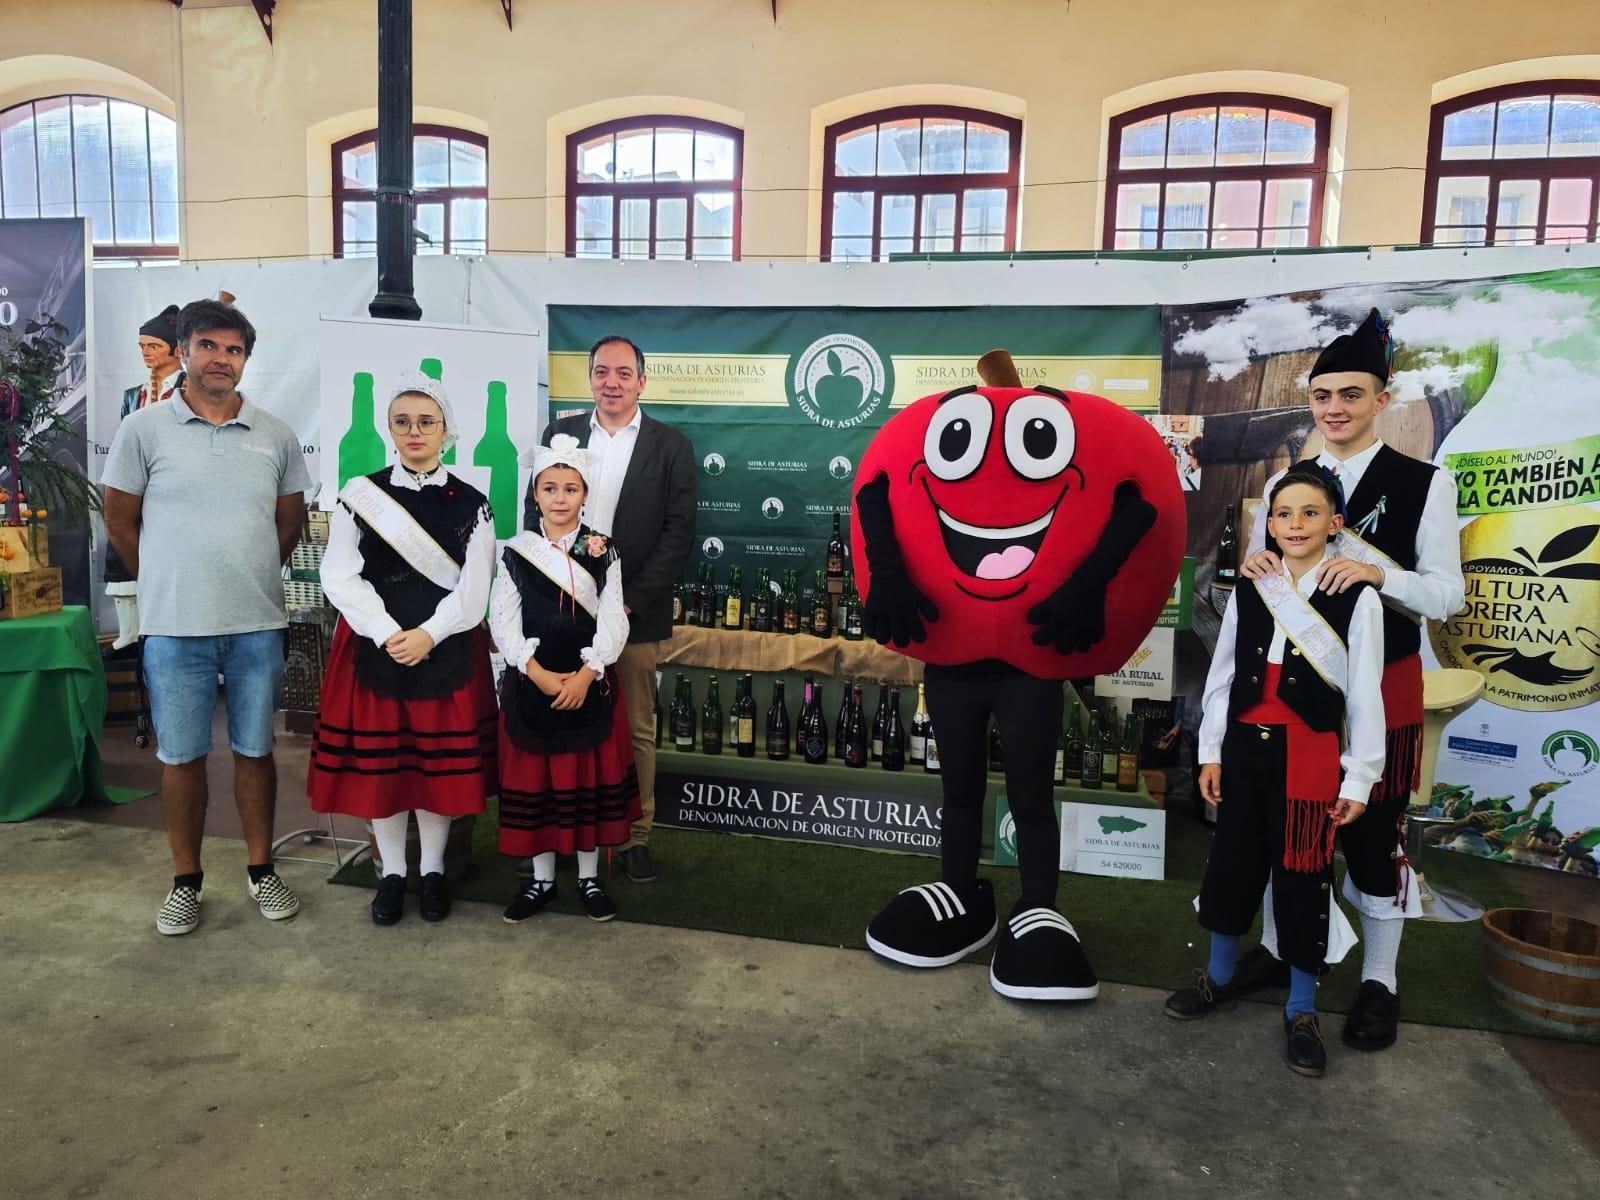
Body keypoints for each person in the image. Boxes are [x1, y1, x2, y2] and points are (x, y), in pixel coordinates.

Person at [1230, 308, 1465, 1053]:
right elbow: (1268, 576)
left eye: (1352, 395)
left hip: (1383, 683)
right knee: (1279, 830)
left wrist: (1378, 572)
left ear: (1382, 399)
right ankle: (1276, 952)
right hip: (1285, 698)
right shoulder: (1286, 486)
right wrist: (1256, 563)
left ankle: (1380, 982)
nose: (1335, 409)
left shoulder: (1427, 481)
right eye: (1323, 395)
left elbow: (1447, 595)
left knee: (1369, 838)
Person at [1166, 463, 1385, 1077]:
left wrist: (1360, 778)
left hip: (1311, 757)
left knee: (1302, 875)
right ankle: (1217, 976)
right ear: (1270, 522)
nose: (1295, 524)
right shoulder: (1253, 587)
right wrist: (1210, 751)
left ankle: (1302, 1007)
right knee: (1231, 863)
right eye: (1283, 513)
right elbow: (1224, 678)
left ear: (1335, 524)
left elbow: (1366, 694)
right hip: (1244, 749)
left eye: (1310, 512)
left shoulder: (1356, 596)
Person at [102, 298, 311, 936]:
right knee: (181, 757)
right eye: (209, 347)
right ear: (186, 351)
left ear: (246, 360)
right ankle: (185, 882)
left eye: (235, 350)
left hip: (255, 625)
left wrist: (241, 575)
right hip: (174, 628)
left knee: (255, 750)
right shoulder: (142, 431)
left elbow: (289, 522)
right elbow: (119, 518)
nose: (221, 360)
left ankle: (261, 870)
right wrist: (170, 575)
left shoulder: (275, 434)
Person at [308, 371, 498, 925]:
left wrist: (429, 634)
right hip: (376, 647)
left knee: (434, 771)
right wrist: (386, 630)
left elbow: (475, 587)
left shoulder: (473, 502)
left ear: (446, 431)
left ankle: (433, 871)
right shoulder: (358, 494)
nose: (414, 432)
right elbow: (339, 574)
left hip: (446, 645)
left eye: (426, 422)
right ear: (389, 428)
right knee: (386, 770)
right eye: (402, 422)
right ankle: (393, 874)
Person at [526, 335, 696, 883]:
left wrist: (625, 600)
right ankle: (568, 835)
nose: (612, 382)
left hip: (635, 613)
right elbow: (537, 519)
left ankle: (636, 836)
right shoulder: (561, 435)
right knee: (565, 722)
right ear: (590, 378)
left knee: (636, 726)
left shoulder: (671, 446)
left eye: (624, 373)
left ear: (642, 381)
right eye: (602, 372)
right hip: (557, 611)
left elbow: (677, 535)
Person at [496, 434, 640, 923]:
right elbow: (503, 620)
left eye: (570, 489)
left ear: (584, 494)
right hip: (533, 685)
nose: (560, 498)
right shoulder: (516, 551)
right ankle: (541, 881)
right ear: (535, 494)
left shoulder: (602, 549)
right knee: (540, 787)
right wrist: (534, 672)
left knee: (584, 785)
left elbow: (614, 620)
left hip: (588, 683)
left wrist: (587, 673)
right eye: (550, 488)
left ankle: (588, 877)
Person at [105, 304, 185, 649]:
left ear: (176, 350)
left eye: (153, 345)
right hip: (135, 485)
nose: (146, 353)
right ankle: (129, 629)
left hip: (174, 486)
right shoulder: (131, 395)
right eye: (142, 347)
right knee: (120, 541)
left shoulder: (191, 389)